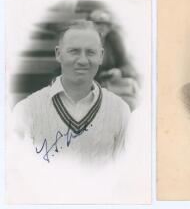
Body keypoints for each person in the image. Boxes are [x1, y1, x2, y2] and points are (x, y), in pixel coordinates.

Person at [12, 20, 131, 162]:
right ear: (58, 54)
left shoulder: (120, 110)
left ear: (101, 56)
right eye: (74, 51)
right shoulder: (26, 111)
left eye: (91, 52)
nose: (82, 60)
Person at [89, 9, 140, 111]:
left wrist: (119, 71)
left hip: (111, 85)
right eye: (96, 24)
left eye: (104, 25)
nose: (100, 28)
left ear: (109, 27)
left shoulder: (114, 40)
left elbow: (129, 66)